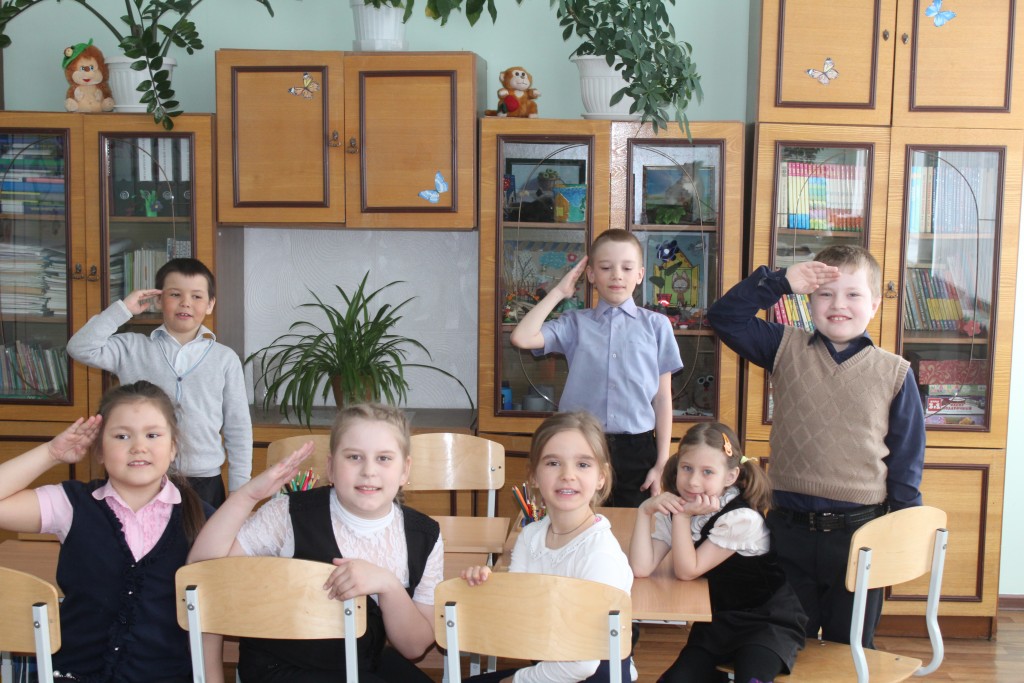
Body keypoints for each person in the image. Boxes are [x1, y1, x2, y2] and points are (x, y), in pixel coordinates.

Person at [707, 245, 925, 647]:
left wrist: (902, 526)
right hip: (789, 530)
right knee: (786, 643)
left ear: (874, 305)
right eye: (826, 293)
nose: (838, 304)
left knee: (851, 647)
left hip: (861, 534)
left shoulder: (895, 372)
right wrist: (780, 282)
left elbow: (906, 459)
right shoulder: (783, 346)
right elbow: (725, 317)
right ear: (809, 300)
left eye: (853, 294)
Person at [187, 402, 440, 683]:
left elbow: (414, 647)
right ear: (330, 467)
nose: (369, 470)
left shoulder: (424, 535)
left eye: (383, 458)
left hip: (360, 663)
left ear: (405, 470)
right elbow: (201, 574)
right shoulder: (286, 514)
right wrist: (247, 496)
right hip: (281, 668)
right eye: (354, 457)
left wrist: (388, 585)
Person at [0, 380, 218, 682]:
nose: (138, 446)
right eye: (121, 436)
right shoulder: (72, 504)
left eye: (153, 435)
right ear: (99, 450)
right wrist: (52, 453)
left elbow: (211, 620)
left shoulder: (203, 519)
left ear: (173, 447)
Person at [460, 411, 637, 682]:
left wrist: (515, 681)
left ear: (601, 477)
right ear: (533, 475)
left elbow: (582, 665)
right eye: (553, 463)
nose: (568, 475)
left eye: (583, 464)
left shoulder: (600, 554)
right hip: (552, 668)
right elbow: (518, 617)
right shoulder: (531, 536)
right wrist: (489, 591)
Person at [510, 230, 683, 507]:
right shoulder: (574, 323)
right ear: (590, 274)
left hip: (637, 450)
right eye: (605, 267)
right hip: (578, 445)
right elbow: (522, 337)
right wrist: (559, 292)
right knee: (577, 523)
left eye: (627, 268)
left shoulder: (656, 326)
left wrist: (662, 461)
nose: (617, 275)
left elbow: (662, 399)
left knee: (633, 526)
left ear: (640, 275)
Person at [67, 257, 252, 507]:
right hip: (139, 473)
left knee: (203, 535)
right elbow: (80, 348)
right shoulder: (132, 347)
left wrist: (240, 491)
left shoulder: (225, 359)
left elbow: (238, 427)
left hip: (203, 481)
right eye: (175, 294)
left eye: (197, 296)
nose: (185, 302)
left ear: (210, 304)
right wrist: (123, 309)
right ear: (157, 300)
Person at [629, 423, 806, 683]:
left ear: (730, 476)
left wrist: (683, 518)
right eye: (687, 468)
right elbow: (641, 568)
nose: (693, 481)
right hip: (718, 621)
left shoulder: (741, 518)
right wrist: (644, 511)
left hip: (766, 622)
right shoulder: (680, 507)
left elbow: (687, 571)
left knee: (752, 678)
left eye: (707, 472)